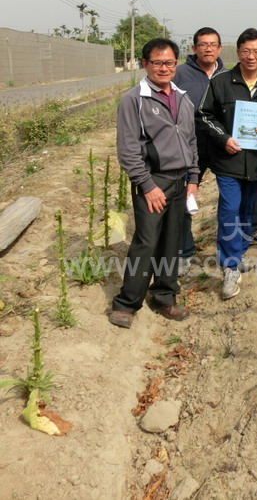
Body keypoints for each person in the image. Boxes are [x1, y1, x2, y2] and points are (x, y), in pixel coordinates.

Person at [109, 38, 200, 328]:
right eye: (157, 62)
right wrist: (147, 185)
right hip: (152, 181)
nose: (164, 68)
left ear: (176, 64)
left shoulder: (183, 98)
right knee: (146, 242)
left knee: (171, 242)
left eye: (170, 62)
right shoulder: (134, 100)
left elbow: (190, 141)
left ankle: (164, 296)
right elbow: (128, 149)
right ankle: (127, 302)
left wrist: (193, 178)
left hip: (179, 181)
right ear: (145, 64)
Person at [199, 28, 257, 299]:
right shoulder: (221, 82)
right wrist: (223, 138)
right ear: (238, 53)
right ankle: (230, 265)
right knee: (229, 210)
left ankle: (238, 251)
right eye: (246, 51)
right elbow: (204, 115)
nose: (251, 56)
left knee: (248, 213)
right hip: (229, 161)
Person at [174, 27, 226, 272]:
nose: (208, 48)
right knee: (186, 196)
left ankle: (231, 253)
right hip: (189, 148)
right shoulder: (179, 74)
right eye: (203, 44)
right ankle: (183, 251)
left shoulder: (228, 75)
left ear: (219, 48)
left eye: (213, 44)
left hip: (221, 146)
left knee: (231, 197)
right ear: (193, 48)